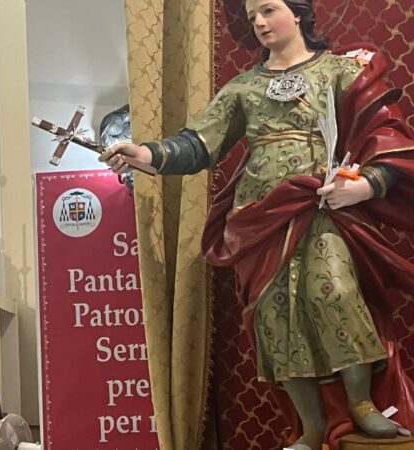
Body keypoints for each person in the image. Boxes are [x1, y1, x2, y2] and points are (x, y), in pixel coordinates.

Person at [100, 1, 414, 449]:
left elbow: (385, 133)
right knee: (276, 315)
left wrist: (367, 185)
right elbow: (198, 143)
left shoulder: (339, 71)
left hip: (321, 205)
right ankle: (311, 426)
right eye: (252, 18)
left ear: (300, 13)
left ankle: (362, 404)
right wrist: (146, 154)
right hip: (258, 217)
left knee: (337, 294)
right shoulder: (243, 88)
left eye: (268, 10)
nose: (260, 23)